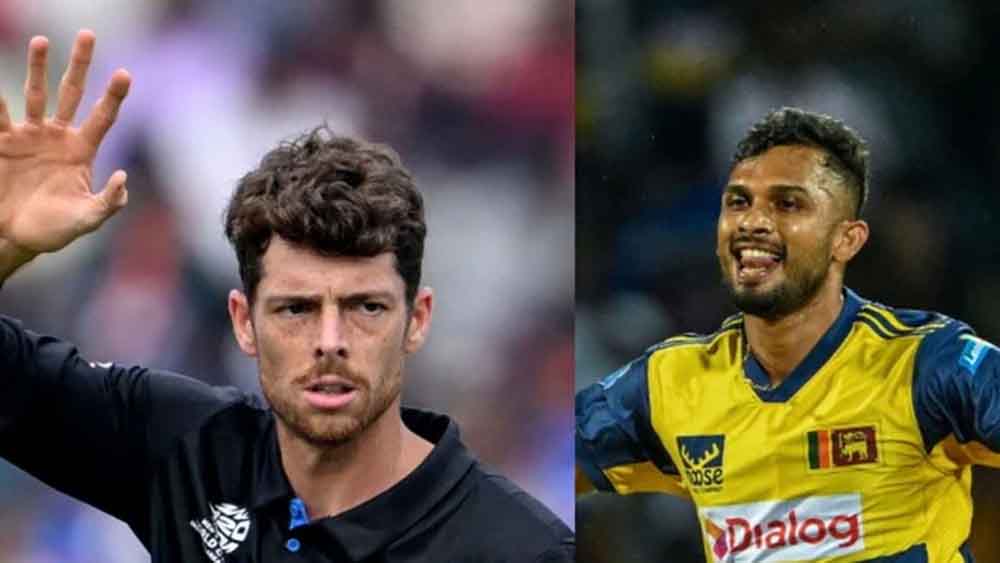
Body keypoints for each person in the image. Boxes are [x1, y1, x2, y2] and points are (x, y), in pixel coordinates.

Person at [0, 30, 574, 562]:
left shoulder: (522, 549)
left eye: (366, 307)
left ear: (417, 319)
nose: (330, 342)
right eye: (296, 308)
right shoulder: (188, 450)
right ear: (243, 321)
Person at [576, 106, 1000, 562]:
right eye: (738, 202)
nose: (752, 223)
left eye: (788, 204)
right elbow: (528, 468)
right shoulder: (671, 383)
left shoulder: (923, 363)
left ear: (847, 240)